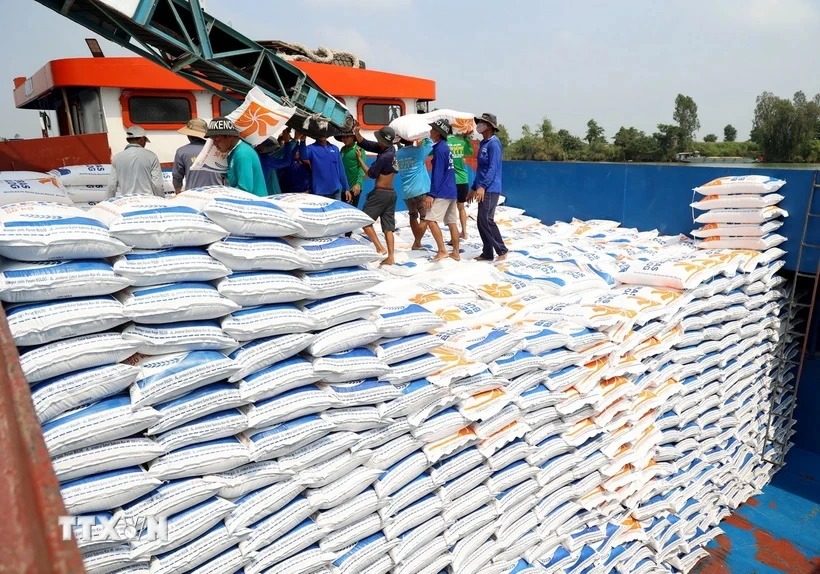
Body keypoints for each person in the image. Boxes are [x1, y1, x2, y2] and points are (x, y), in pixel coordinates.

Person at [355, 125, 399, 265]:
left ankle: (380, 248)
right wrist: (357, 134)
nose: (377, 142)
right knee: (388, 228)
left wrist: (360, 159)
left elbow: (371, 174)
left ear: (383, 141)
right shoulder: (391, 149)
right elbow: (368, 145)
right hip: (391, 194)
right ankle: (391, 256)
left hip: (380, 194)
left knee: (365, 221)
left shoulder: (384, 157)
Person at [469, 113, 508, 262]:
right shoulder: (483, 143)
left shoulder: (494, 143)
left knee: (486, 219)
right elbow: (481, 169)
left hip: (490, 188)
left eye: (482, 122)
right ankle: (487, 252)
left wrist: (483, 187)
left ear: (489, 126)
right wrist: (474, 187)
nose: (478, 125)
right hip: (482, 187)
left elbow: (492, 168)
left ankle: (502, 250)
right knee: (481, 221)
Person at [423, 119, 460, 262]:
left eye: (433, 129)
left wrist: (431, 194)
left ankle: (442, 250)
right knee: (452, 222)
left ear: (438, 133)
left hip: (442, 192)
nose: (430, 131)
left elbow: (437, 174)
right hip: (452, 190)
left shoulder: (439, 149)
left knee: (430, 220)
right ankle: (456, 253)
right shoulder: (446, 147)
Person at [205, 117, 267, 196]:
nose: (214, 144)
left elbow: (244, 190)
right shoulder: (234, 152)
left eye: (216, 140)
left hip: (253, 202)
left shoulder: (242, 154)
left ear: (229, 137)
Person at [395, 136, 433, 249]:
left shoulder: (398, 153)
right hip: (420, 190)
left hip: (407, 191)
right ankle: (417, 242)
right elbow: (430, 144)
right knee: (425, 217)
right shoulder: (419, 151)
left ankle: (417, 243)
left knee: (413, 216)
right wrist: (424, 136)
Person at [108, 126, 164, 197]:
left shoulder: (117, 158)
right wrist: (161, 199)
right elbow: (157, 185)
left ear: (127, 140)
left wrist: (107, 201)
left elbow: (111, 185)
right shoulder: (152, 156)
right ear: (142, 139)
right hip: (147, 200)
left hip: (126, 200)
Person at [172, 118, 223, 193]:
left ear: (189, 135)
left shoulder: (181, 152)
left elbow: (177, 177)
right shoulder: (218, 149)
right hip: (217, 193)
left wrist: (177, 193)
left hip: (194, 194)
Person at [296, 131, 349, 200]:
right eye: (320, 132)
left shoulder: (335, 148)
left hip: (336, 191)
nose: (322, 134)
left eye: (324, 131)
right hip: (319, 193)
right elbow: (303, 156)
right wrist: (302, 141)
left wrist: (346, 188)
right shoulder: (311, 148)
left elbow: (341, 169)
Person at [447, 131, 474, 239]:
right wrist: (466, 138)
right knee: (461, 207)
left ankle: (453, 237)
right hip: (463, 179)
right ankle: (464, 232)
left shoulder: (445, 142)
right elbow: (470, 152)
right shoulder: (462, 141)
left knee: (451, 210)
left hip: (451, 180)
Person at [277, 129, 312, 193]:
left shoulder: (304, 164)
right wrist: (295, 139)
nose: (296, 151)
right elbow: (288, 154)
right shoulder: (282, 163)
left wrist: (302, 140)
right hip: (289, 195)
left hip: (306, 194)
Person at [337, 131, 365, 207]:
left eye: (347, 136)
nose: (345, 139)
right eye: (343, 137)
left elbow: (361, 168)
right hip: (344, 188)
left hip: (354, 188)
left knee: (351, 210)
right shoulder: (342, 149)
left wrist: (358, 184)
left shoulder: (359, 149)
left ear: (353, 137)